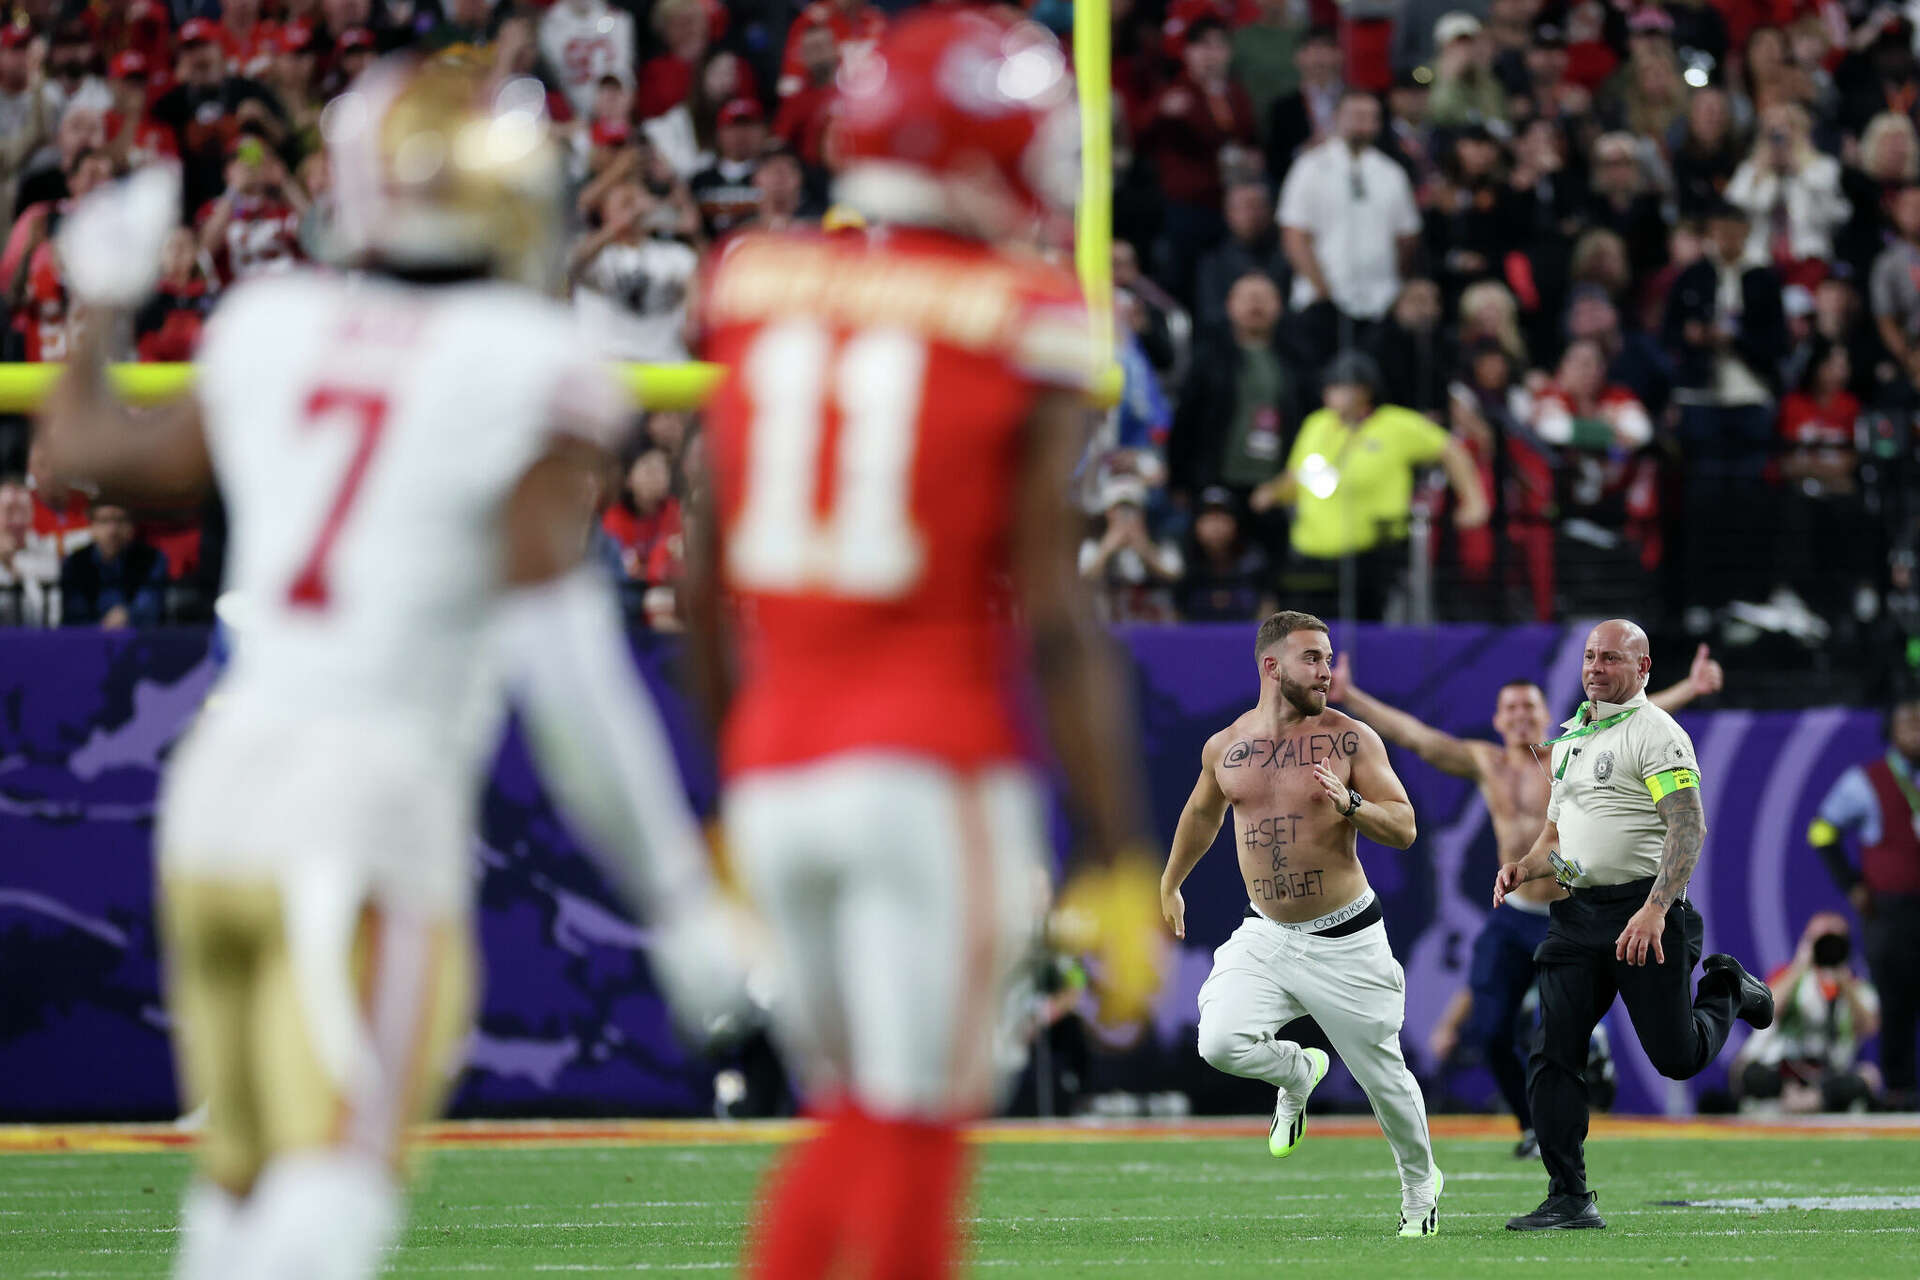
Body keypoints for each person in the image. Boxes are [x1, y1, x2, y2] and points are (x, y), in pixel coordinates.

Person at [35, 61, 741, 1280]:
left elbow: (82, 449)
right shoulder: (525, 361)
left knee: (241, 1191)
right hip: (362, 817)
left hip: (219, 800)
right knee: (332, 1199)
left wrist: (98, 299)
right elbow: (562, 656)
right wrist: (676, 893)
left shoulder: (272, 323)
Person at [689, 13, 1164, 1278]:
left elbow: (697, 575)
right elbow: (1057, 621)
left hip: (781, 766)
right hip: (928, 765)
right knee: (915, 1131)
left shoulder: (754, 283)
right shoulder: (1022, 311)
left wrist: (733, 782)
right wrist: (1119, 852)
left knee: (861, 1110)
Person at [1332, 644, 1725, 1157]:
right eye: (1511, 708)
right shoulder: (1486, 762)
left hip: (1565, 911)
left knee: (1558, 1032)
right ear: (1497, 718)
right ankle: (1531, 1125)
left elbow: (1638, 721)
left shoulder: (1570, 754)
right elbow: (1416, 737)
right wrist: (1352, 696)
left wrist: (1690, 689)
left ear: (1545, 715)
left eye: (1530, 708)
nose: (1520, 716)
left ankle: (1583, 1073)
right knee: (1491, 1029)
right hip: (1513, 913)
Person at [1160, 611, 1445, 1237]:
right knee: (1220, 1041)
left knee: (1384, 1082)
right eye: (1312, 658)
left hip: (1346, 940)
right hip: (1267, 934)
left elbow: (1404, 827)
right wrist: (1171, 881)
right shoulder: (1226, 745)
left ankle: (1421, 1187)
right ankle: (1297, 1072)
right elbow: (1201, 815)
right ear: (1272, 667)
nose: (1325, 671)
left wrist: (1351, 804)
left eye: (1326, 656)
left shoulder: (1350, 739)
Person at [1495, 619, 1774, 1231]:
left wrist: (1653, 908)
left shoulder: (1657, 733)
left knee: (1676, 1057)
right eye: (1590, 656)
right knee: (1552, 1052)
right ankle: (1570, 1196)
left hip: (1644, 913)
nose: (1594, 668)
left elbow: (1687, 826)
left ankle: (1728, 989)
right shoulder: (1570, 736)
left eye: (1611, 659)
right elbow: (1558, 832)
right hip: (1574, 916)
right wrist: (1524, 867)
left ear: (1643, 668)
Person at [1248, 349, 1489, 621]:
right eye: (1330, 385)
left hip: (1374, 559)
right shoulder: (1316, 424)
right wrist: (1272, 492)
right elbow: (1297, 477)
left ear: (1365, 390)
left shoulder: (1395, 424)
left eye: (1342, 385)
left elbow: (1451, 450)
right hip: (1313, 560)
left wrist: (1474, 501)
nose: (1332, 392)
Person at [1807, 693, 1920, 1109]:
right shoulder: (1866, 781)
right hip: (1891, 912)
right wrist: (1853, 883)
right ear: (1892, 730)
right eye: (1909, 723)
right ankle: (1900, 1094)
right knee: (1896, 1001)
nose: (1917, 732)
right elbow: (1820, 832)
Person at [1277, 90, 1422, 362]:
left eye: (1370, 117)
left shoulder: (1392, 174)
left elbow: (1407, 238)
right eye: (1355, 115)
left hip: (1380, 304)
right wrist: (1322, 290)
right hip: (1321, 304)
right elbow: (1294, 235)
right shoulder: (1309, 168)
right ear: (1336, 118)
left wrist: (1396, 288)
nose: (1362, 123)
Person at [1732, 912, 1881, 1112]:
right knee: (1747, 1072)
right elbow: (1766, 1012)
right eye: (1821, 940)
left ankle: (1813, 1100)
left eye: (1834, 941)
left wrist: (1843, 981)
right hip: (1781, 1071)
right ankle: (1790, 1096)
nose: (1826, 948)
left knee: (1869, 1077)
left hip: (1828, 1077)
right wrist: (1800, 966)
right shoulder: (1788, 978)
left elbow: (1869, 1027)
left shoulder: (1857, 988)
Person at [58, 499, 169, 628]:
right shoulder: (75, 563)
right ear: (91, 527)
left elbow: (150, 607)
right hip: (90, 642)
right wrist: (104, 627)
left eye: (120, 520)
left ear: (132, 526)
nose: (112, 531)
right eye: (104, 521)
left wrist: (128, 616)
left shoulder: (152, 559)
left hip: (138, 640)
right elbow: (74, 617)